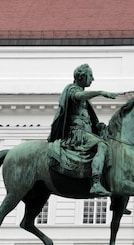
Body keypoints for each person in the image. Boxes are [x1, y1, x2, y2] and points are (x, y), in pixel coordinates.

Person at [48, 64, 117, 196]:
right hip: (76, 133)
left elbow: (89, 118)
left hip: (86, 133)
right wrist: (100, 92)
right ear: (82, 76)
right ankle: (96, 183)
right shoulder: (71, 90)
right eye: (90, 76)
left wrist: (98, 126)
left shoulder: (83, 97)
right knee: (102, 146)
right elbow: (79, 96)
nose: (93, 79)